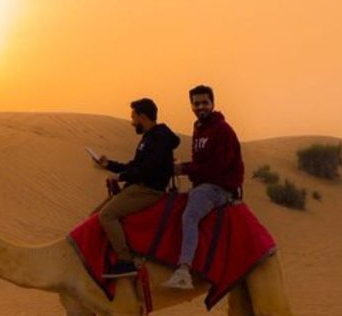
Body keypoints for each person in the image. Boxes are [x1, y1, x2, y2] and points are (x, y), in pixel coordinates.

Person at [164, 85, 244, 289]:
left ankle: (184, 270)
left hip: (218, 188)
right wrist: (185, 168)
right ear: (191, 105)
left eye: (204, 103)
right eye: (196, 103)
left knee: (189, 216)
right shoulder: (200, 129)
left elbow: (217, 166)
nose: (201, 107)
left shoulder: (222, 130)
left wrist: (184, 168)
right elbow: (200, 163)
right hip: (204, 185)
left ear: (213, 103)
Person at [93, 98, 181, 278]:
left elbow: (149, 168)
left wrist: (121, 177)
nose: (132, 122)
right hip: (138, 187)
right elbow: (135, 166)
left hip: (149, 190)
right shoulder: (148, 138)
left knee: (107, 215)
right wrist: (109, 164)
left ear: (142, 116)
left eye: (133, 117)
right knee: (95, 215)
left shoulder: (160, 138)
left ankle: (125, 261)